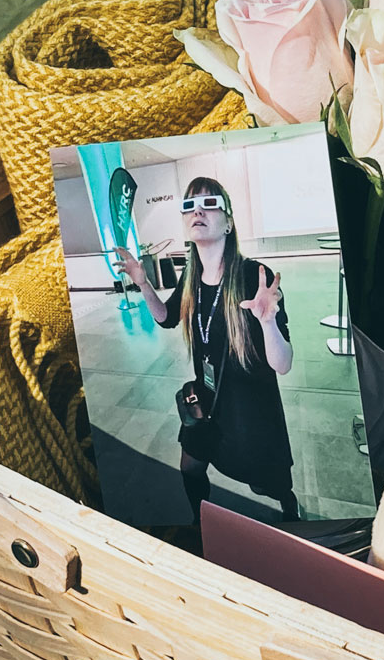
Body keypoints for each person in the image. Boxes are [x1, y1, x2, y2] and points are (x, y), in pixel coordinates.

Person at [114, 177, 301, 523]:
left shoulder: (253, 276)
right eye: (189, 205)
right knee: (190, 468)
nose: (197, 210)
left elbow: (284, 363)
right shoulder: (191, 277)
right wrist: (143, 283)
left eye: (209, 202)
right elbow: (167, 317)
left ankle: (289, 509)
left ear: (228, 222)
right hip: (208, 398)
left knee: (269, 485)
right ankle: (201, 523)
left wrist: (268, 322)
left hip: (251, 409)